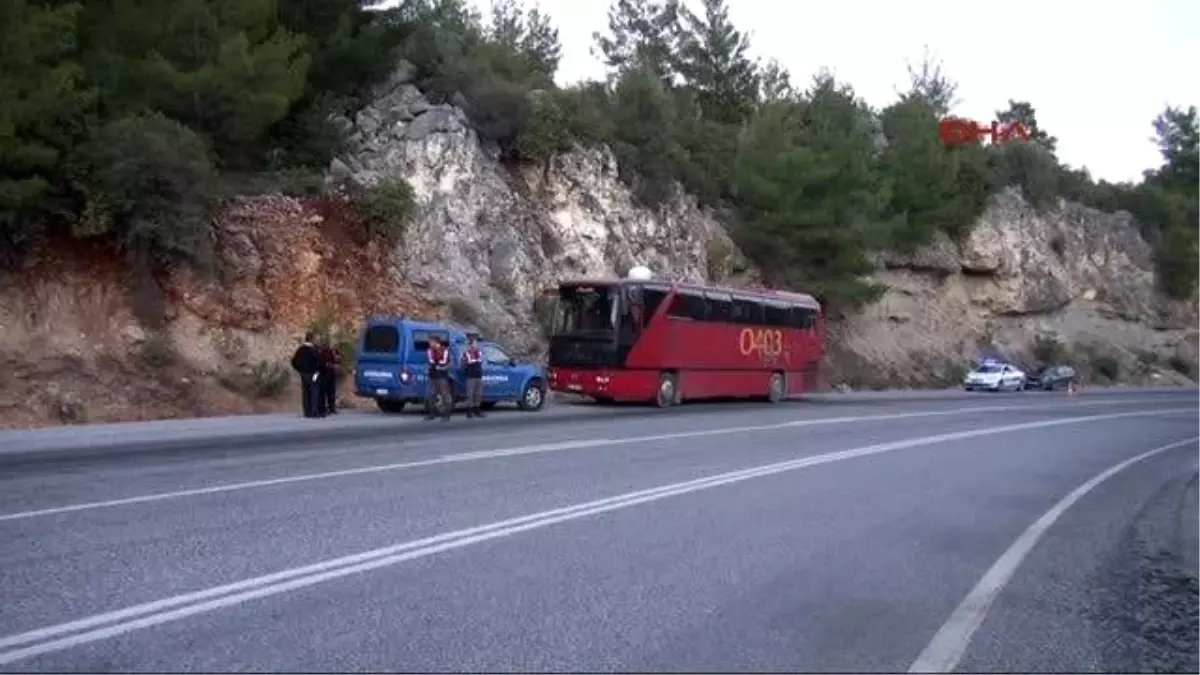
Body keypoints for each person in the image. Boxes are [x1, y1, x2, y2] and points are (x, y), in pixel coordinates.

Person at [290, 332, 324, 418]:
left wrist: (300, 370)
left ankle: (307, 412)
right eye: (315, 339)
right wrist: (318, 370)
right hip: (313, 373)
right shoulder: (313, 350)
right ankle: (314, 411)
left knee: (305, 392)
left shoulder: (300, 349)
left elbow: (293, 361)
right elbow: (319, 361)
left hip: (303, 374)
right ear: (312, 339)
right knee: (314, 391)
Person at [424, 336, 452, 422]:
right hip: (432, 375)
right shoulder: (429, 351)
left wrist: (442, 368)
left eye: (431, 342)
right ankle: (432, 413)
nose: (429, 343)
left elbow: (448, 363)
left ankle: (446, 414)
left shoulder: (445, 350)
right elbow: (430, 361)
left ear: (436, 342)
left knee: (444, 394)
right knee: (431, 394)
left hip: (442, 375)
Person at [462, 335, 485, 418]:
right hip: (470, 375)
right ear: (471, 344)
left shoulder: (478, 352)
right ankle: (469, 411)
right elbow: (469, 361)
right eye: (474, 343)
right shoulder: (467, 353)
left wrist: (475, 361)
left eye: (476, 343)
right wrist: (474, 361)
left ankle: (477, 409)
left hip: (478, 374)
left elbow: (480, 360)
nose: (476, 345)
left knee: (478, 393)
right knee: (470, 393)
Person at [319, 339, 341, 415]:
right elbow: (322, 363)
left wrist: (337, 360)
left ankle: (332, 407)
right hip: (325, 374)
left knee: (332, 392)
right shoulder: (322, 352)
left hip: (332, 375)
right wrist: (331, 366)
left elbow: (338, 361)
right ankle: (324, 408)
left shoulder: (334, 352)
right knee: (324, 392)